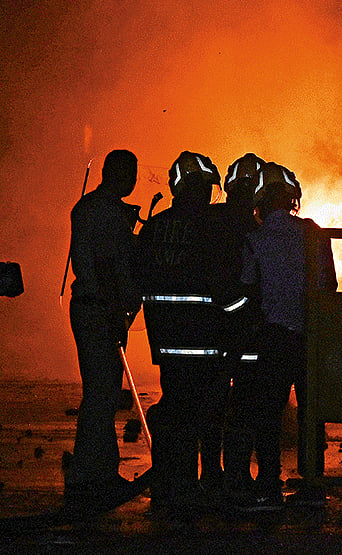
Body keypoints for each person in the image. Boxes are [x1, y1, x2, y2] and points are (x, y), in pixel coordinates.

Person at [136, 150, 231, 516]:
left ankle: (170, 482)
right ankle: (198, 485)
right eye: (206, 186)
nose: (209, 194)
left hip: (166, 342)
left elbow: (140, 277)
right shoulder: (212, 229)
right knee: (205, 413)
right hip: (205, 343)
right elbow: (226, 286)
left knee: (174, 408)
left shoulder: (155, 227)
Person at [240, 162, 337, 510]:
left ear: (261, 201)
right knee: (311, 411)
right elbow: (331, 286)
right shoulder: (314, 233)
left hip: (273, 339)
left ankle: (268, 486)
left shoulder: (255, 239)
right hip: (311, 338)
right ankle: (312, 486)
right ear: (292, 197)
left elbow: (248, 289)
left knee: (268, 412)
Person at [65, 149, 143, 511]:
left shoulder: (87, 208)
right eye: (132, 173)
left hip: (92, 308)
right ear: (120, 174)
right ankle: (96, 474)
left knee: (99, 393)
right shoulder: (108, 213)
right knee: (103, 394)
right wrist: (116, 308)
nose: (135, 181)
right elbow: (107, 265)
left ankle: (87, 471)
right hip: (100, 310)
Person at [211, 152, 265, 502]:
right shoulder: (257, 233)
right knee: (245, 405)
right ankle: (237, 476)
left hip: (210, 332)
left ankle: (212, 476)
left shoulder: (212, 221)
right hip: (246, 333)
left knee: (212, 404)